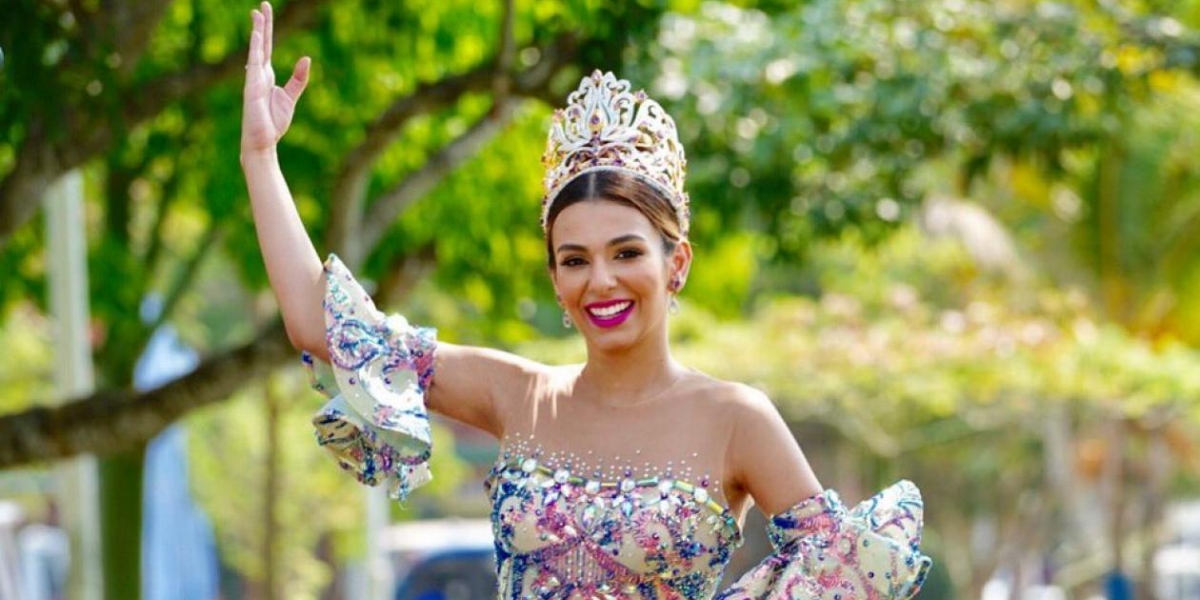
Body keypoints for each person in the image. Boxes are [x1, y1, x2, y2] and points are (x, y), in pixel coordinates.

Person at [240, 2, 932, 598]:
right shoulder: (517, 395)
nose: (601, 281)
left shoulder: (735, 420)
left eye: (626, 253)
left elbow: (850, 575)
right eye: (575, 260)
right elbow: (322, 326)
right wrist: (261, 158)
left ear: (676, 263)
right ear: (555, 281)